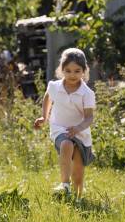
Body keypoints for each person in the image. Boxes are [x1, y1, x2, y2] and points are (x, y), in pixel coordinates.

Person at [34, 48, 95, 198]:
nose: (72, 75)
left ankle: (77, 198)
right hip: (60, 128)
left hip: (81, 132)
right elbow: (47, 98)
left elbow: (89, 118)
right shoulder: (54, 86)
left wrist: (78, 128)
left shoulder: (87, 93)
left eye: (77, 71)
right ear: (61, 70)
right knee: (66, 144)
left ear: (84, 71)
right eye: (68, 71)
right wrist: (44, 117)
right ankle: (64, 185)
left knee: (78, 175)